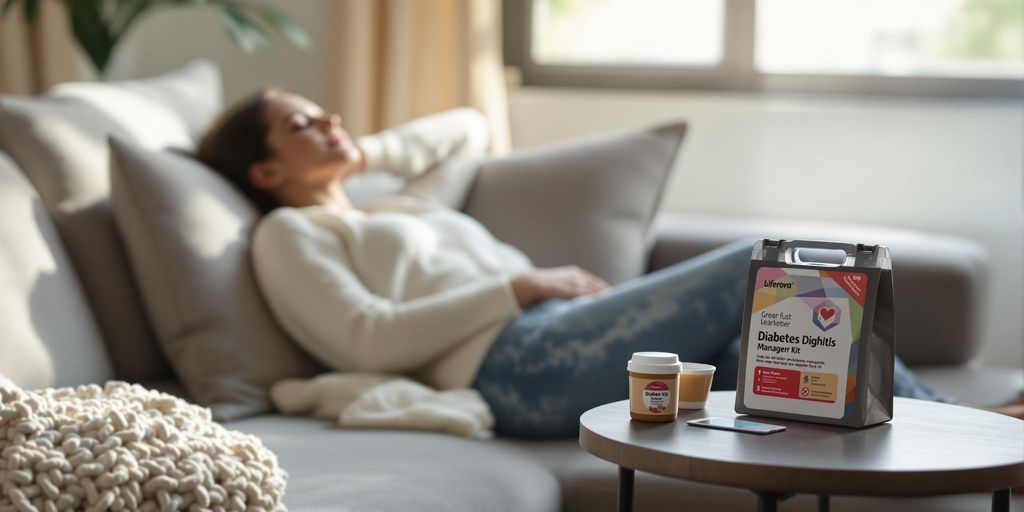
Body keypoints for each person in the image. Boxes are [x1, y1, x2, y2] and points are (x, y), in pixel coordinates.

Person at [197, 89, 1021, 439]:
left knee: (758, 359)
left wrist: (356, 150)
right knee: (761, 268)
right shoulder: (289, 236)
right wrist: (517, 286)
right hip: (514, 368)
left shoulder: (394, 203)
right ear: (264, 173)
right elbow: (365, 341)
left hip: (553, 336)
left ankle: (949, 453)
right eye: (304, 124)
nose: (331, 120)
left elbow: (465, 127)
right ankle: (973, 433)